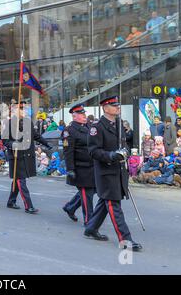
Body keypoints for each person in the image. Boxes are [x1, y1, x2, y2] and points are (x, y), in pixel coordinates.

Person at [85, 95, 142, 251]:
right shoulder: (97, 127)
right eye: (114, 105)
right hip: (106, 172)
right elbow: (93, 151)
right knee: (113, 204)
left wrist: (126, 152)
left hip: (119, 171)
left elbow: (125, 145)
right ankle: (126, 240)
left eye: (118, 105)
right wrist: (111, 156)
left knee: (105, 202)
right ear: (105, 108)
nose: (118, 107)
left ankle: (91, 228)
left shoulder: (118, 124)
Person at [2, 101, 53, 214]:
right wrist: (13, 145)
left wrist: (46, 144)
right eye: (21, 109)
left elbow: (36, 136)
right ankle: (28, 205)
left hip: (27, 155)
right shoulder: (9, 124)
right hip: (17, 156)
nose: (24, 111)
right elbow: (5, 141)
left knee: (17, 180)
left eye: (24, 109)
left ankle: (11, 201)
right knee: (21, 180)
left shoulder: (27, 122)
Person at [61, 104, 97, 225]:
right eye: (81, 114)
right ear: (74, 116)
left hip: (91, 165)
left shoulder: (88, 126)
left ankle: (70, 207)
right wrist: (70, 169)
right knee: (87, 195)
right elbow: (68, 151)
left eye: (84, 114)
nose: (84, 116)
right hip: (80, 167)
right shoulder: (69, 130)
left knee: (91, 191)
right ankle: (89, 221)